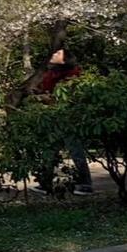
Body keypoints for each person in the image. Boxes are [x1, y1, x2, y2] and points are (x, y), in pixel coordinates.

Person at [35, 48, 95, 194]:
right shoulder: (51, 74)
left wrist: (48, 99)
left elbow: (69, 98)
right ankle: (45, 183)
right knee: (50, 150)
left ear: (65, 59)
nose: (54, 55)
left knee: (75, 150)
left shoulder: (73, 75)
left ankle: (86, 184)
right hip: (54, 117)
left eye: (58, 54)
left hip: (68, 118)